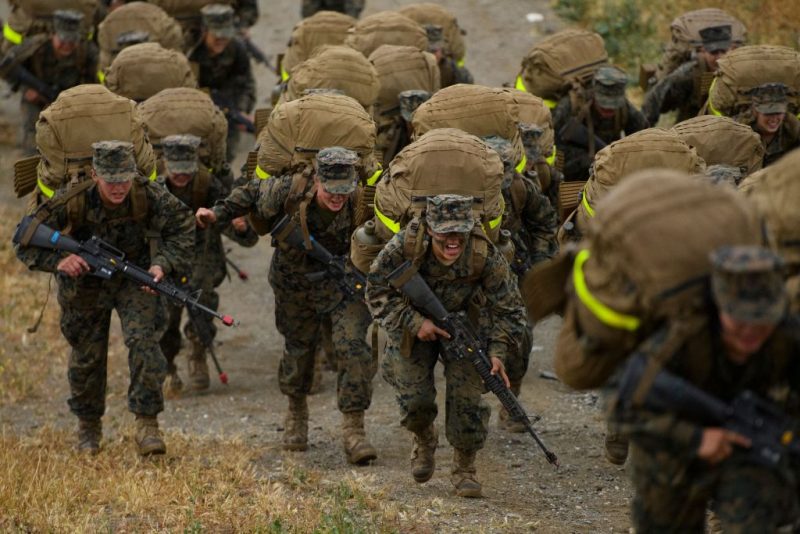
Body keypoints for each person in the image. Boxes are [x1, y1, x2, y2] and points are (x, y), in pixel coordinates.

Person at [195, 147, 378, 465]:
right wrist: (217, 214)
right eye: (331, 191)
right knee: (299, 348)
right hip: (295, 283)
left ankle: (354, 429)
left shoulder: (360, 200)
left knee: (353, 348)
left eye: (343, 191)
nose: (337, 197)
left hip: (344, 285)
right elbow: (250, 193)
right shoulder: (290, 189)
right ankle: (296, 412)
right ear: (318, 180)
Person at [14, 141, 194, 456]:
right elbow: (24, 241)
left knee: (145, 343)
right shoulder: (70, 199)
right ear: (95, 174)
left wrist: (162, 264)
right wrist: (59, 262)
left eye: (124, 178)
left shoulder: (146, 193)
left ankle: (147, 425)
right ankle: (88, 428)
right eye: (111, 180)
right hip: (84, 284)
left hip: (134, 276)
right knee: (87, 355)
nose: (118, 187)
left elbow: (184, 227)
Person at [613, 245, 800, 532]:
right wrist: (697, 438)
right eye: (739, 319)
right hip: (674, 446)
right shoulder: (681, 336)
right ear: (718, 306)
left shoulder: (786, 336)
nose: (750, 332)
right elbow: (624, 410)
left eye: (760, 320)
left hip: (754, 448)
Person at [366, 194, 528, 497]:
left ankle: (464, 467)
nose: (453, 240)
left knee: (467, 401)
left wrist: (497, 353)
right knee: (415, 403)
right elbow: (376, 291)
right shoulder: (404, 246)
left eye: (459, 232)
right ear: (429, 229)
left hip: (465, 330)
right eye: (445, 233)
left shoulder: (484, 254)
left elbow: (511, 309)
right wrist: (416, 323)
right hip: (413, 327)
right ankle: (424, 438)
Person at [156, 135, 258, 394]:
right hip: (166, 263)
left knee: (203, 313)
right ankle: (167, 367)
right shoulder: (153, 191)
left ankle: (197, 355)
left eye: (186, 172)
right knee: (166, 321)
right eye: (176, 172)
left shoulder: (208, 185)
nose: (181, 177)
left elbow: (239, 231)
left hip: (203, 262)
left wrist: (242, 227)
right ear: (165, 165)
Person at [481, 136, 557, 432]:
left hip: (512, 272)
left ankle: (511, 402)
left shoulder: (520, 189)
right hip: (469, 274)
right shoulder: (465, 194)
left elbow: (545, 222)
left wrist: (539, 261)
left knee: (520, 335)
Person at [1, 10, 99, 155]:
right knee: (33, 138)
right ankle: (31, 167)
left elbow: (97, 81)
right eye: (63, 41)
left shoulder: (87, 51)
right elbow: (6, 67)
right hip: (37, 98)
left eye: (72, 42)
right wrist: (25, 88)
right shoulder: (36, 45)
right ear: (53, 35)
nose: (67, 46)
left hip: (73, 102)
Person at [553, 66, 648, 182]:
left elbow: (643, 138)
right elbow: (554, 146)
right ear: (594, 94)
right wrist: (587, 160)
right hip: (576, 169)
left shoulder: (625, 109)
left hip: (609, 165)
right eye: (604, 105)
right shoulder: (571, 106)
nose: (608, 110)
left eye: (613, 106)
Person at [188, 4, 256, 162]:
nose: (221, 40)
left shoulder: (236, 48)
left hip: (227, 100)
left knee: (226, 153)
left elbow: (245, 84)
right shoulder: (190, 51)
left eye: (225, 35)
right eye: (217, 36)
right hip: (196, 101)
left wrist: (240, 110)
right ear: (204, 31)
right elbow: (184, 87)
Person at [642, 25, 733, 126]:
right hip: (690, 130)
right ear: (703, 51)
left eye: (723, 51)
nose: (719, 57)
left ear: (731, 49)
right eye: (714, 52)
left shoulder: (739, 72)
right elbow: (654, 98)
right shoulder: (688, 74)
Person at [742, 83, 800, 167]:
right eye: (768, 114)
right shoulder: (741, 130)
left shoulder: (792, 127)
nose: (774, 119)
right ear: (755, 112)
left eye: (778, 113)